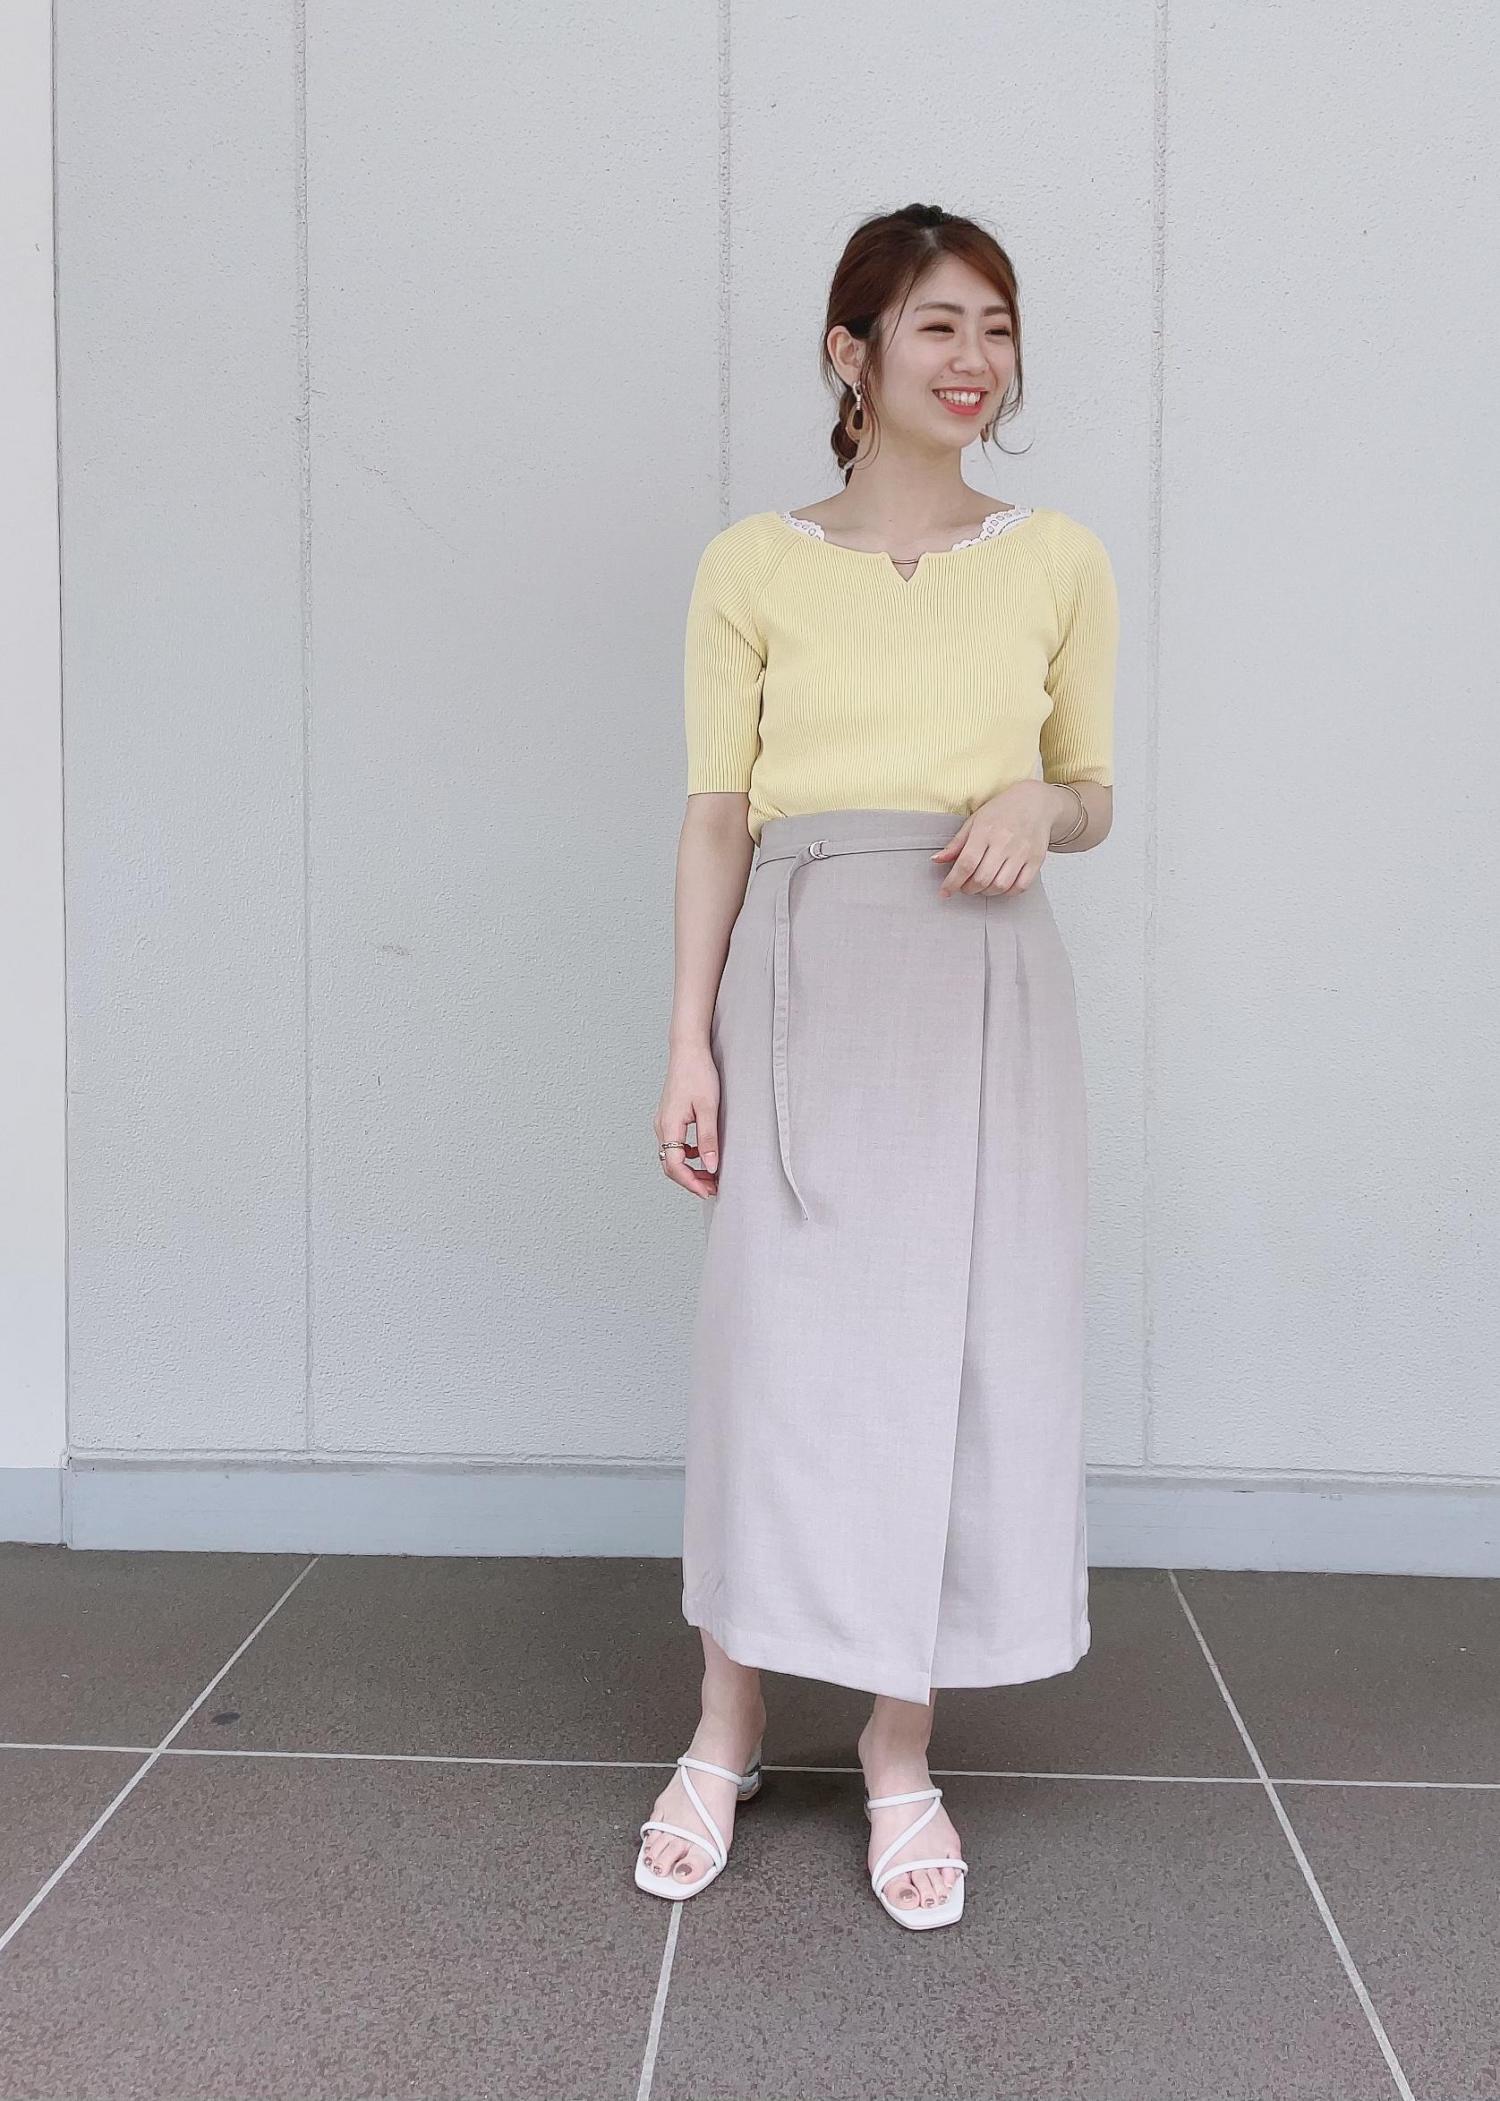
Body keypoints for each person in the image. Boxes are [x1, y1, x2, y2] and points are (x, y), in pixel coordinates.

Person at [639, 202, 1119, 1930]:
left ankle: (899, 1747)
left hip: (985, 978)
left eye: (996, 324)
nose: (974, 358)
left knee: (960, 1352)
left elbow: (1094, 792)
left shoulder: (1055, 557)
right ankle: (727, 1725)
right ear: (852, 352)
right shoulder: (750, 565)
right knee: (773, 1353)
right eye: (936, 324)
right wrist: (687, 1039)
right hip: (802, 968)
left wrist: (1036, 802)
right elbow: (716, 813)